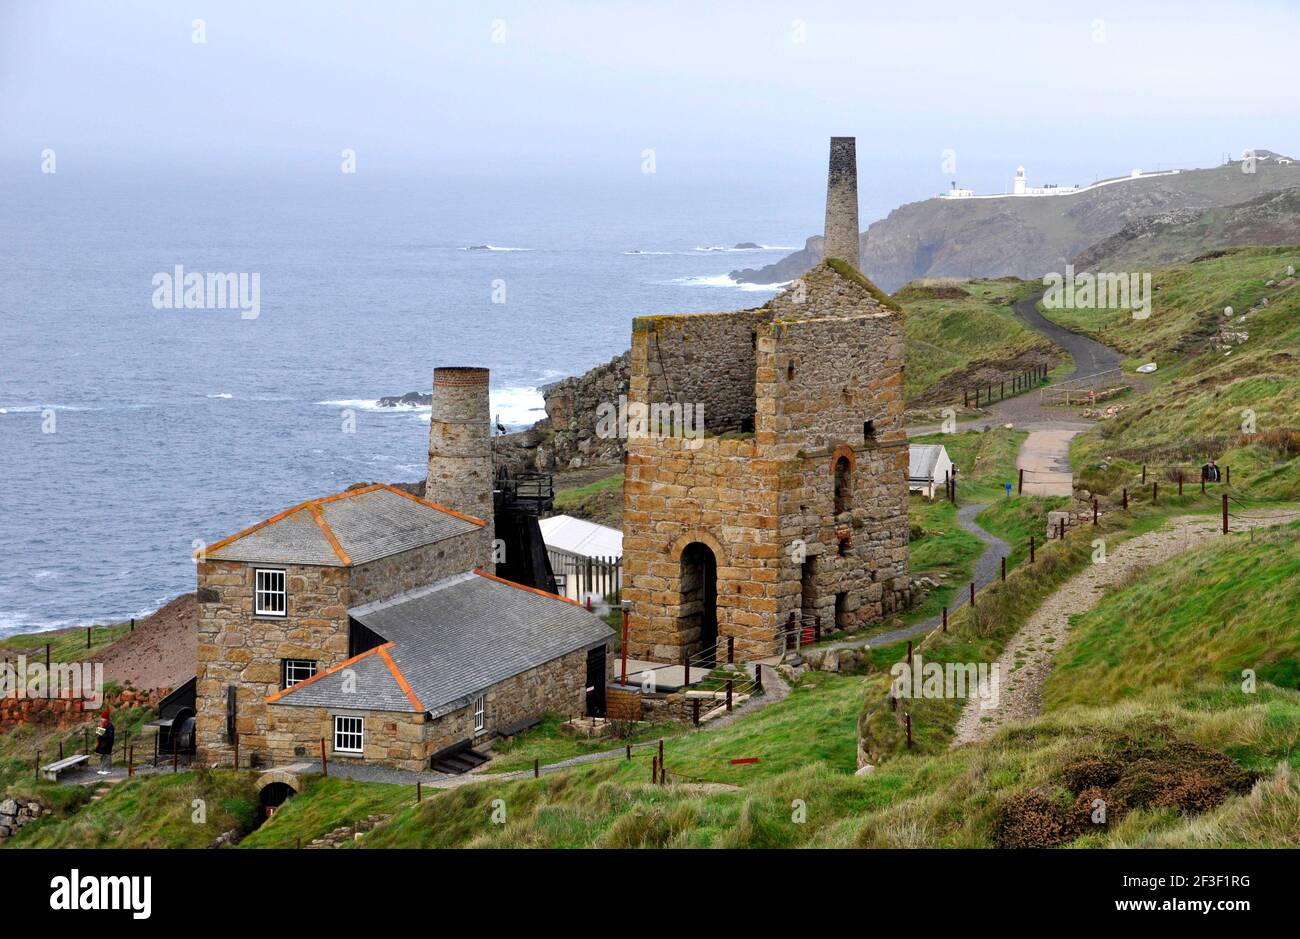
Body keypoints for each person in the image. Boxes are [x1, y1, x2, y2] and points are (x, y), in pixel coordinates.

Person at [94, 709, 115, 775]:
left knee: (107, 756)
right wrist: (99, 731)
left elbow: (110, 735)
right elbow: (98, 734)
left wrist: (102, 734)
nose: (101, 719)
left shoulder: (110, 725)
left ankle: (107, 769)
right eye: (101, 717)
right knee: (102, 756)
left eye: (103, 718)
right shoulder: (103, 725)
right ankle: (102, 769)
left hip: (108, 743)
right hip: (102, 743)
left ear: (106, 718)